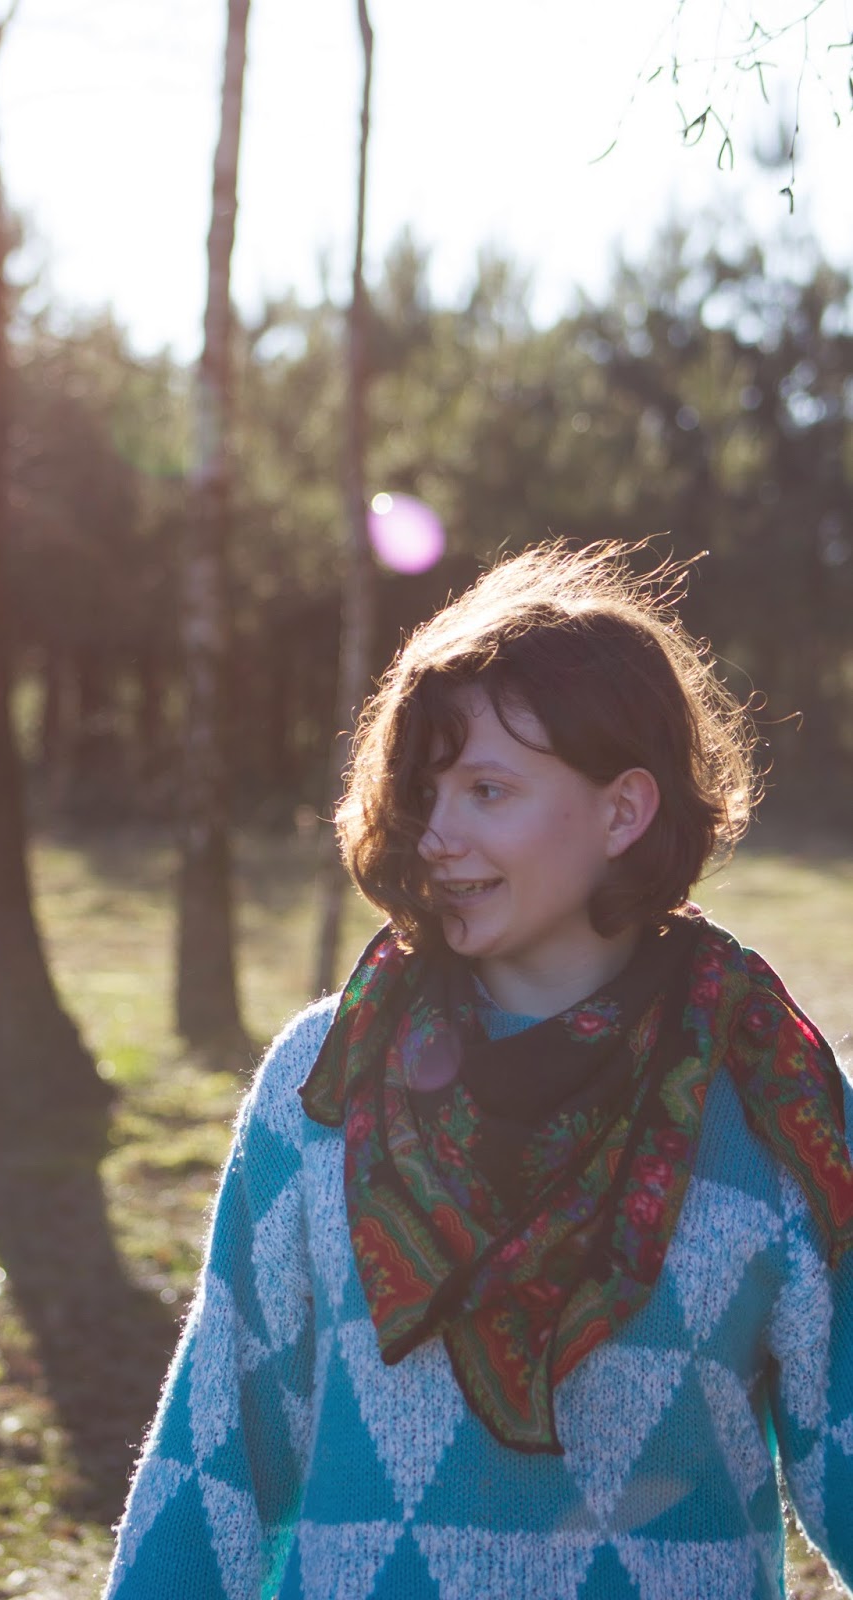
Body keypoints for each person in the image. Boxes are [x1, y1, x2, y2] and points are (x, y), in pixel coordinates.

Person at [103, 540, 853, 1600]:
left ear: (623, 811)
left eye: (487, 790)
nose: (435, 835)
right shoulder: (322, 1082)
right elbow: (216, 1456)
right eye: (426, 791)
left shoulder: (773, 1103)